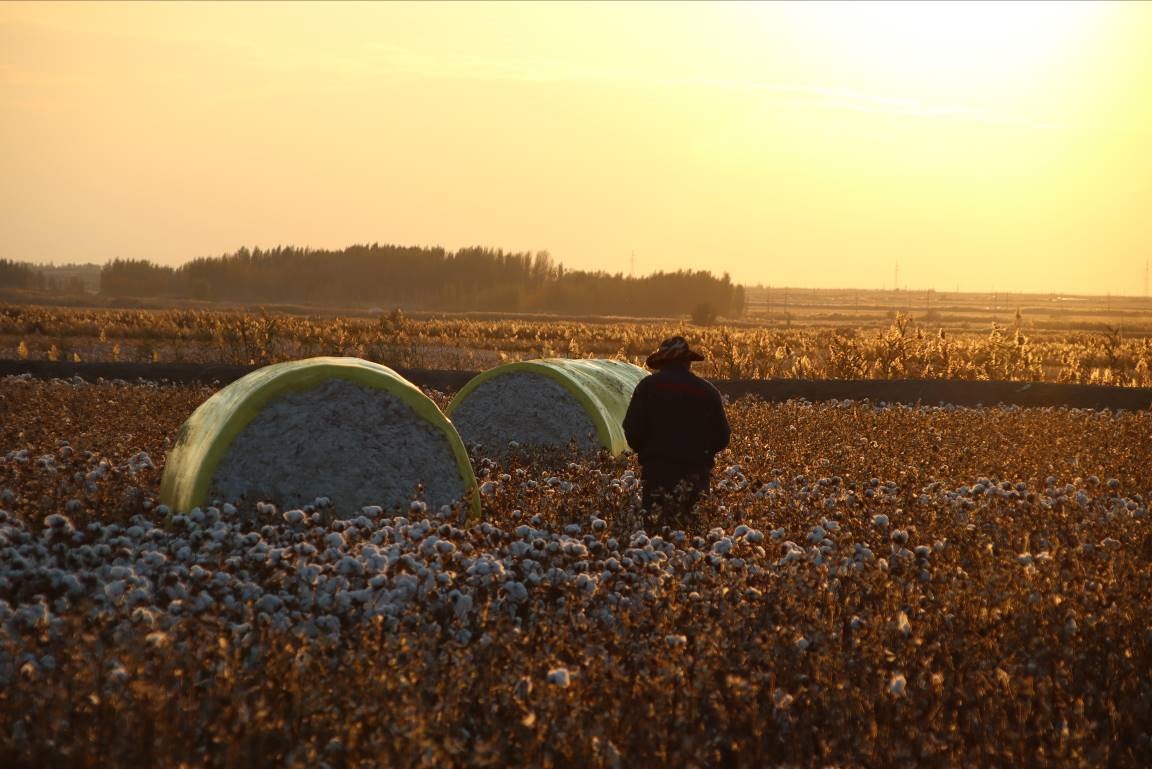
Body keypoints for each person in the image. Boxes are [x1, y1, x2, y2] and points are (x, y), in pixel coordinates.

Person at [623, 335, 730, 529]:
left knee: (655, 534)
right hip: (696, 476)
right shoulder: (707, 392)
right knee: (692, 533)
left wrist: (650, 454)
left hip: (657, 473)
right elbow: (722, 437)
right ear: (688, 362)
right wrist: (701, 455)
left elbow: (632, 430)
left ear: (662, 362)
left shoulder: (647, 388)